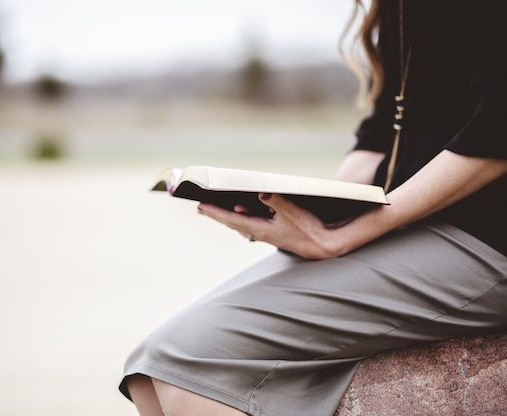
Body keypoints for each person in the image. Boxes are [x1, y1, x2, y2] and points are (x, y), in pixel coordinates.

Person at [119, 1, 507, 415]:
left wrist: (345, 236)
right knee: (149, 370)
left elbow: (495, 132)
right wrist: (305, 210)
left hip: (483, 238)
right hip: (413, 225)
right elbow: (380, 136)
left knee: (188, 363)